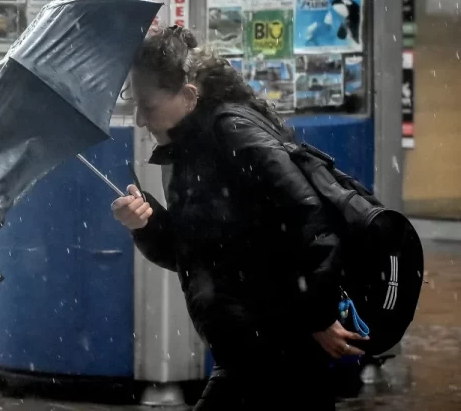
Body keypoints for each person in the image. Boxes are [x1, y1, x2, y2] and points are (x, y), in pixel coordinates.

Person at [111, 26, 367, 410]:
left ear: (188, 95)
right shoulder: (187, 149)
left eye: (147, 107)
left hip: (274, 347)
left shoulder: (233, 134)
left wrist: (317, 317)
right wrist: (146, 224)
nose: (140, 120)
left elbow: (310, 218)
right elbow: (194, 254)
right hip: (248, 350)